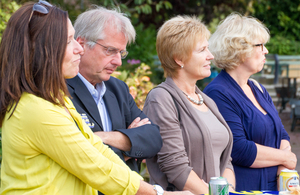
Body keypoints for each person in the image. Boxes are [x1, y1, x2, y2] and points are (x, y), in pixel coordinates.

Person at [0, 1, 193, 195]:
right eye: (69, 40)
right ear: (44, 50)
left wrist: (106, 138)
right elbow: (95, 166)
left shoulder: (57, 100)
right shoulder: (37, 109)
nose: (79, 48)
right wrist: (159, 193)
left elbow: (97, 150)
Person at [203, 13, 297, 191]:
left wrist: (283, 170)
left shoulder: (258, 88)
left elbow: (282, 135)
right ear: (239, 49)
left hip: (274, 187)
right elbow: (239, 149)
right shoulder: (218, 92)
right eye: (260, 45)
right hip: (245, 189)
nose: (266, 51)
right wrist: (286, 158)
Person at [143, 15, 235, 195]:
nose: (211, 56)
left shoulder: (207, 100)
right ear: (179, 58)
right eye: (202, 50)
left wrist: (229, 191)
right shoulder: (161, 99)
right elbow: (175, 166)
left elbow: (225, 160)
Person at [66, 6, 162, 178]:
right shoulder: (59, 90)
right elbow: (79, 157)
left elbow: (153, 138)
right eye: (110, 50)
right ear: (81, 45)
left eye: (121, 52)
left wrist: (104, 137)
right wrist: (127, 147)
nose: (118, 61)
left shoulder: (117, 88)